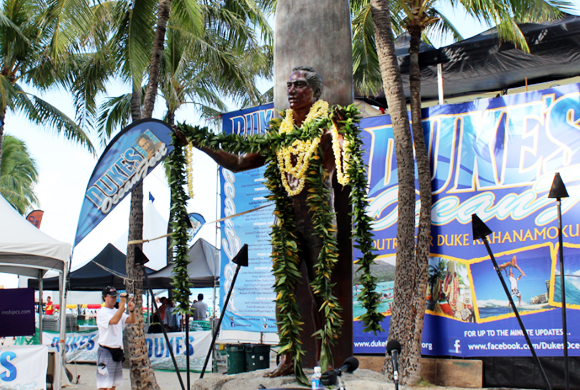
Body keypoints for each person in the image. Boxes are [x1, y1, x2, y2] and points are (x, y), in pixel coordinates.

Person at [186, 66, 353, 377]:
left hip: (318, 222)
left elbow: (343, 162)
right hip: (286, 223)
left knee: (322, 293)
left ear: (314, 92)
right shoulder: (279, 135)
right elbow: (238, 163)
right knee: (284, 293)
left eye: (300, 85)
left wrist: (341, 134)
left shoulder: (327, 127)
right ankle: (288, 359)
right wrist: (199, 142)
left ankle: (326, 360)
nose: (291, 90)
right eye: (289, 85)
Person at [96, 286, 135, 390]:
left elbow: (130, 320)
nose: (114, 299)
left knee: (113, 384)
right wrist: (122, 305)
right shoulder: (102, 312)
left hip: (117, 350)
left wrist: (131, 310)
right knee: (104, 384)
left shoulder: (117, 311)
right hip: (106, 350)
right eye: (111, 296)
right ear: (104, 297)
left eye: (115, 297)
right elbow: (114, 321)